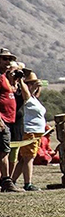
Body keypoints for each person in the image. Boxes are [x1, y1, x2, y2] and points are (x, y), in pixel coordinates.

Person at [12, 71, 45, 191]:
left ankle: (12, 180)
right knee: (28, 158)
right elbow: (26, 95)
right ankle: (28, 183)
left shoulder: (34, 99)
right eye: (31, 84)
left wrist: (37, 87)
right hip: (30, 131)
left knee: (24, 158)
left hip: (36, 132)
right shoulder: (25, 99)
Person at [0, 48, 22, 192]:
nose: (8, 61)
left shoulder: (4, 77)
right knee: (3, 151)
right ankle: (6, 181)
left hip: (9, 119)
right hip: (2, 119)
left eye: (10, 59)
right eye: (4, 59)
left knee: (5, 151)